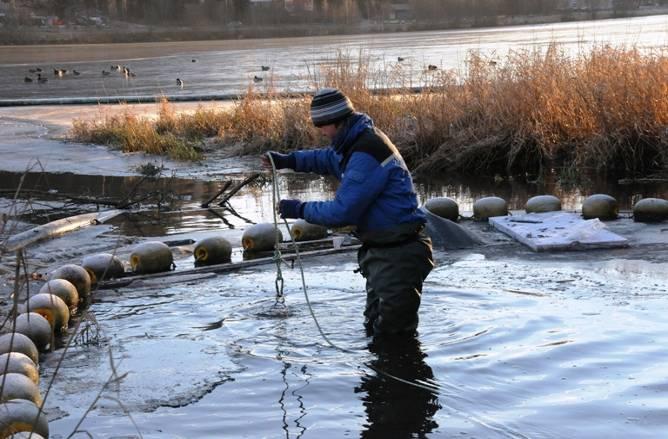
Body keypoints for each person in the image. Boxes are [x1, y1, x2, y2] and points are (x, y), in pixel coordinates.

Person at [262, 88, 433, 338]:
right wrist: (290, 161)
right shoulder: (357, 141)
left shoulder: (367, 152)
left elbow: (342, 213)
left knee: (395, 338)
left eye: (323, 125)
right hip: (383, 252)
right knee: (375, 328)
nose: (321, 131)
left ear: (337, 121)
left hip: (399, 255)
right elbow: (328, 159)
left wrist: (299, 209)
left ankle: (403, 376)